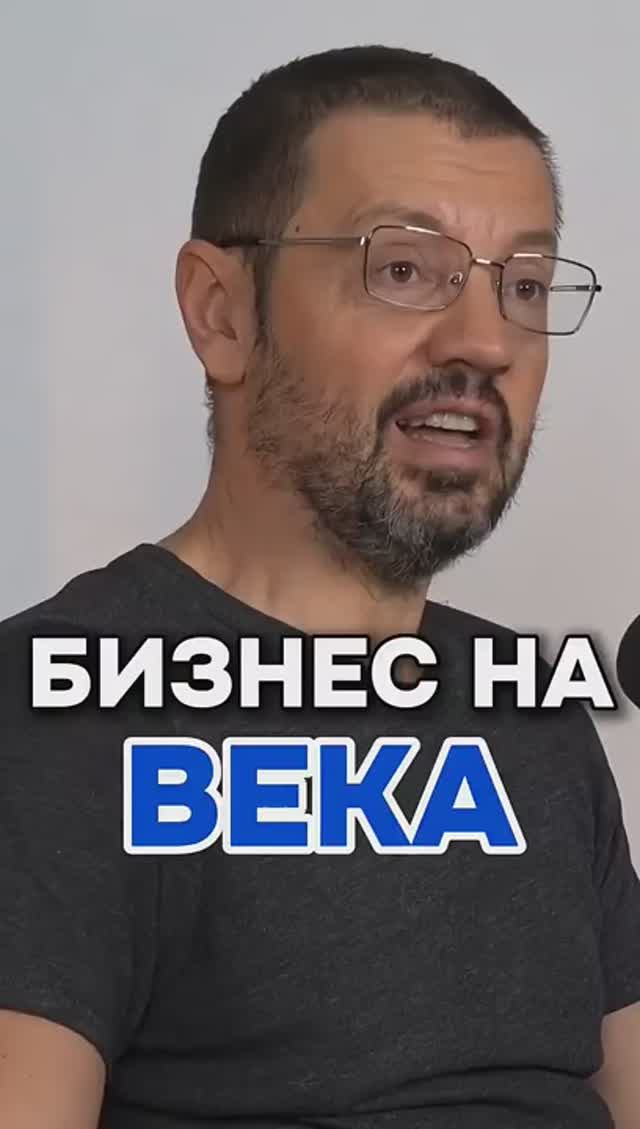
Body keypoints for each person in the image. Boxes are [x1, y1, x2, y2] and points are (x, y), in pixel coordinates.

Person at [0, 43, 638, 1129]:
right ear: (222, 312)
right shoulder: (59, 713)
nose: (487, 340)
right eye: (404, 270)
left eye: (525, 285)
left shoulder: (532, 715)